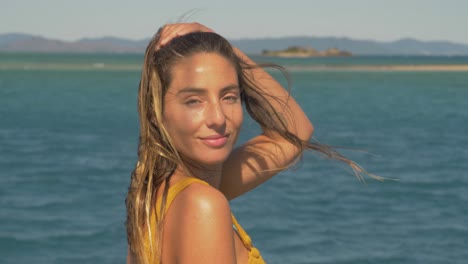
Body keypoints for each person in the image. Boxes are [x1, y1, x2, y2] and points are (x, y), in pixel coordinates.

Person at [126, 22, 380, 264]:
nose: (218, 118)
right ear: (155, 113)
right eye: (194, 100)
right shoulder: (202, 204)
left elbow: (294, 133)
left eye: (229, 97)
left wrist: (222, 47)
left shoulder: (157, 195)